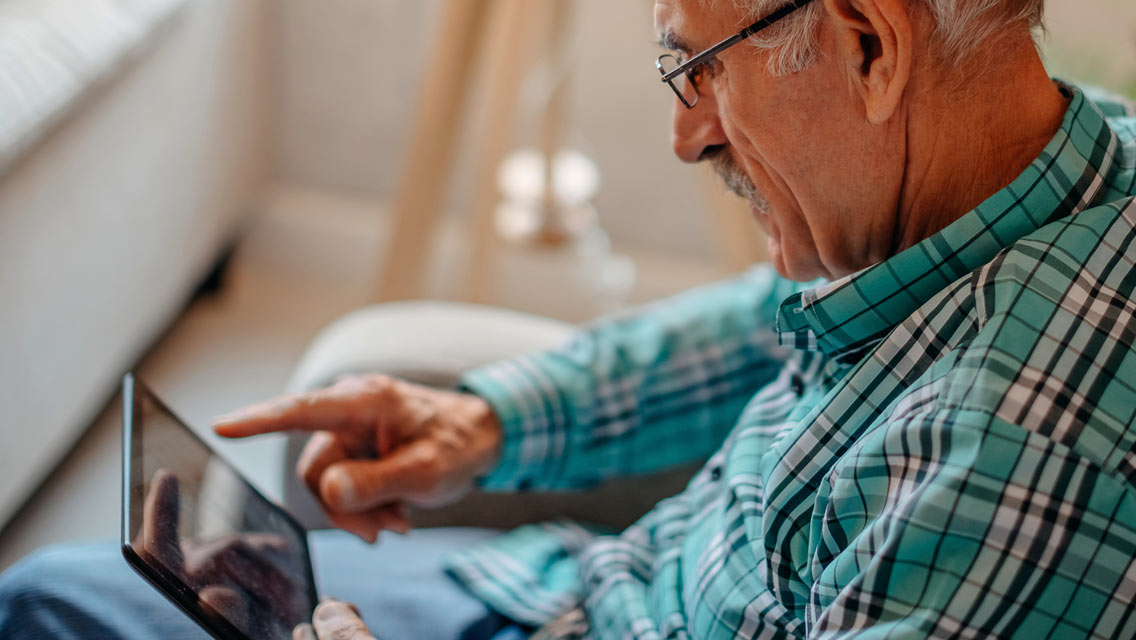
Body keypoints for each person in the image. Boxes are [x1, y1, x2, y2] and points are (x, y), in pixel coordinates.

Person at [3, 0, 1136, 637]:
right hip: (587, 588)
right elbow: (771, 322)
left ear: (866, 45)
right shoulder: (1050, 174)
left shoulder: (1015, 461)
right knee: (57, 594)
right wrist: (489, 422)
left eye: (693, 68)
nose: (683, 136)